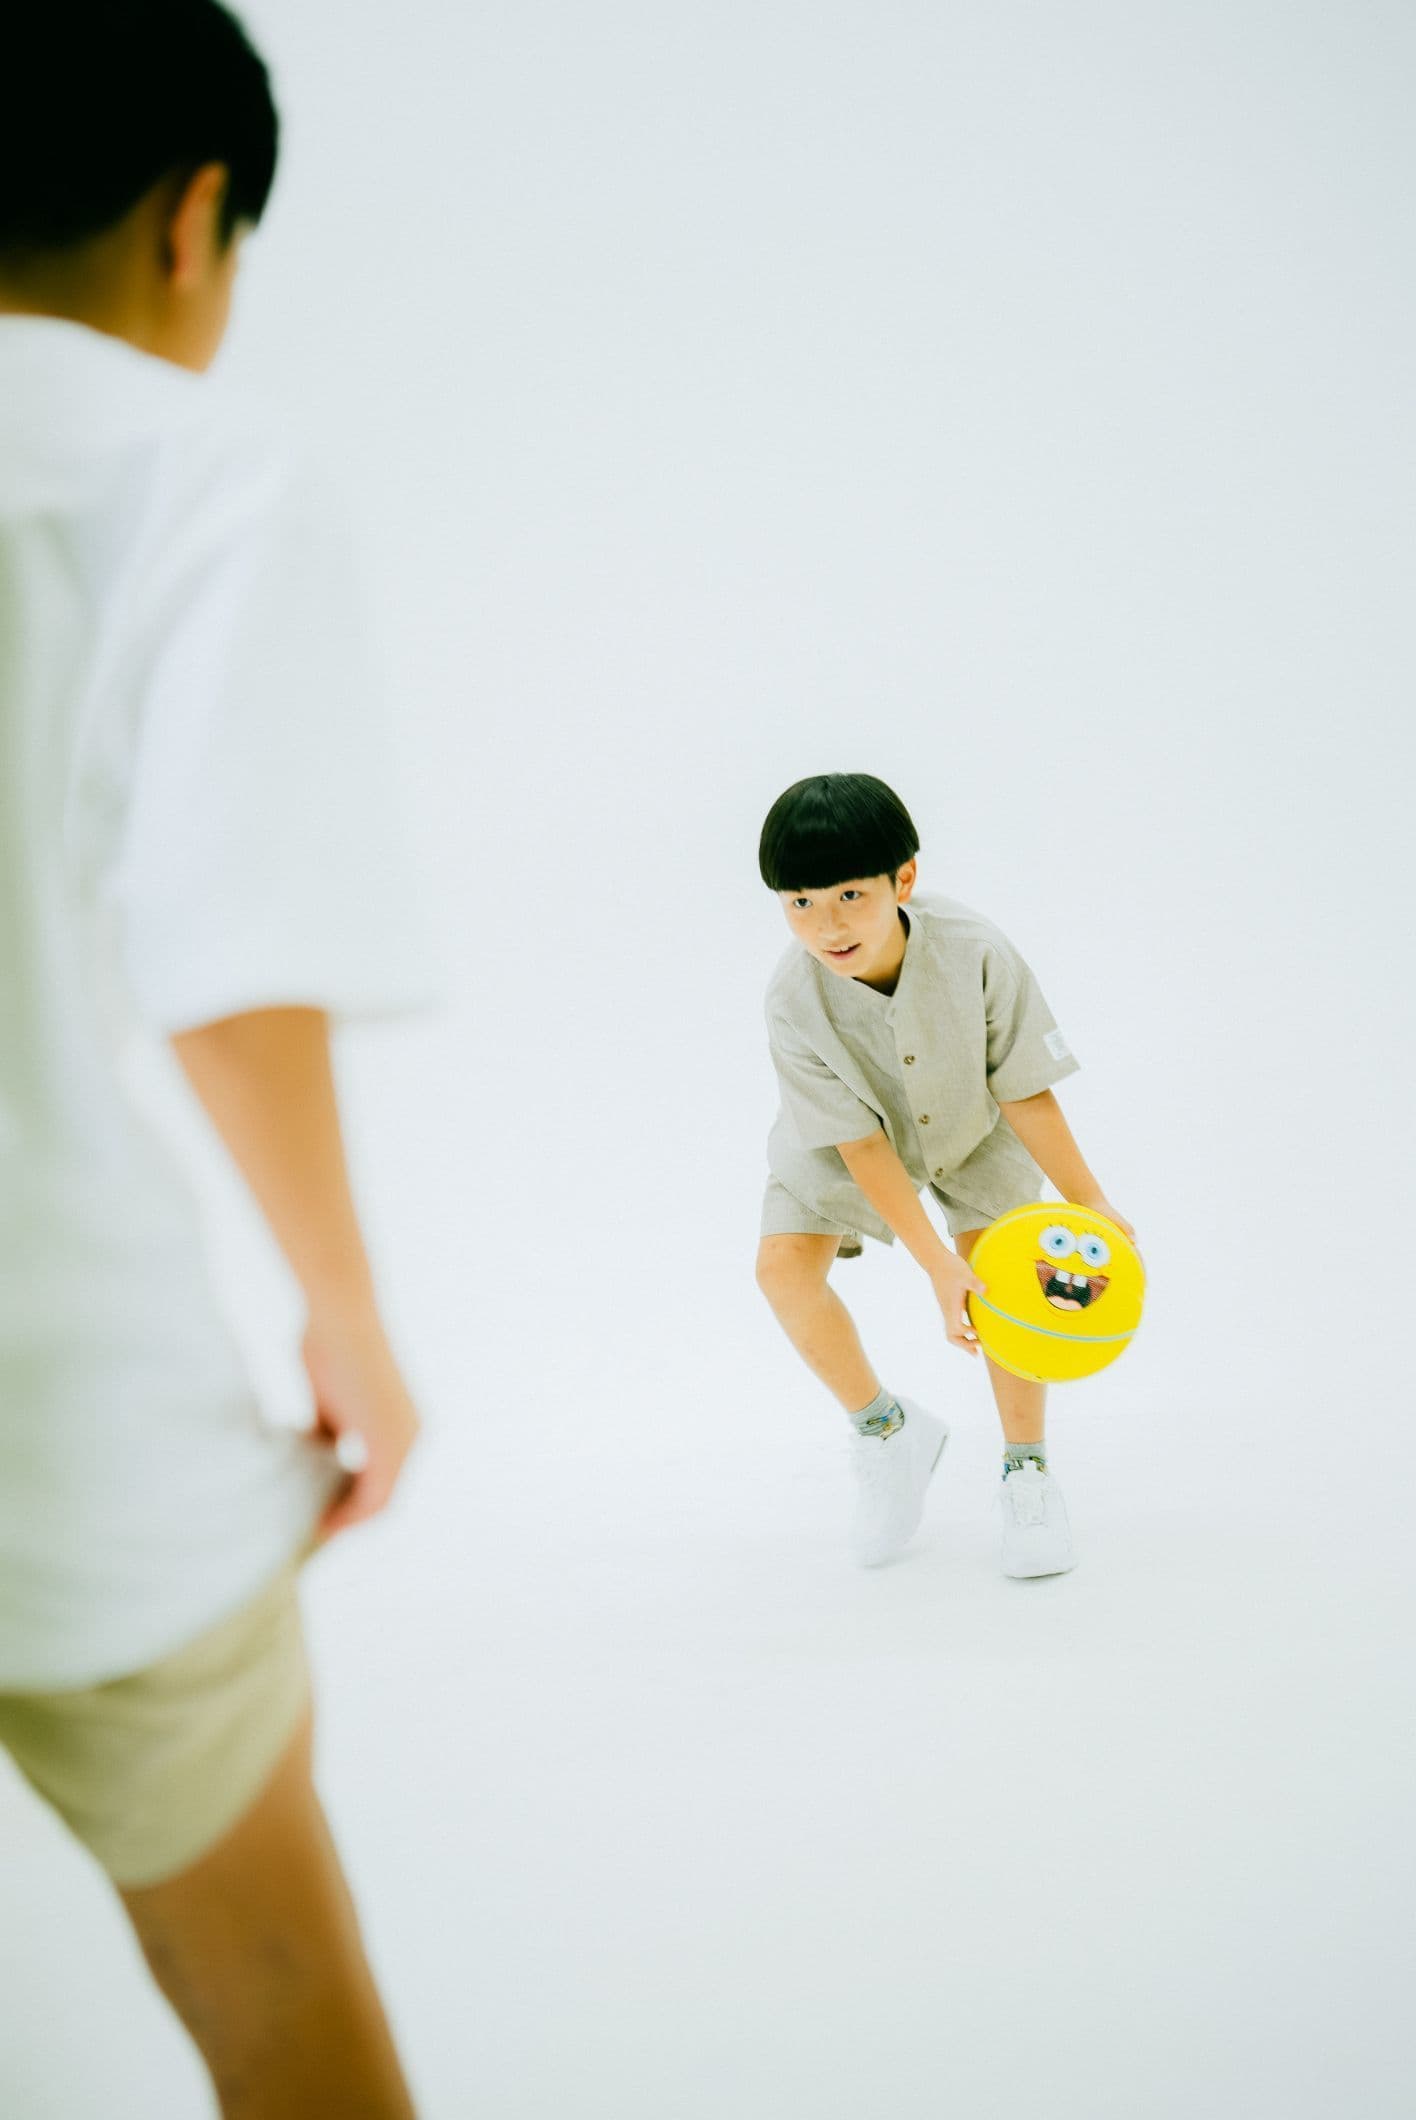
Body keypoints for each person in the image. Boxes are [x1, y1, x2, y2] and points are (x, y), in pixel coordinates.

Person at [0, 5, 429, 2112]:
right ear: (192, 222)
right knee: (277, 2004)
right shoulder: (185, 467)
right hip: (58, 1420)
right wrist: (346, 1316)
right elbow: (233, 965)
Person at [754, 772, 1137, 1579]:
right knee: (782, 1268)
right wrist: (934, 1264)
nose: (826, 925)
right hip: (843, 1140)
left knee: (1007, 1278)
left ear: (904, 880)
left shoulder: (976, 950)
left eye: (850, 895)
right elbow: (861, 1146)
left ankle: (1026, 1471)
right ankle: (888, 1433)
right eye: (800, 902)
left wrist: (1090, 1199)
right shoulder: (792, 998)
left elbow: (1023, 1087)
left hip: (972, 1120)